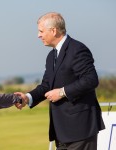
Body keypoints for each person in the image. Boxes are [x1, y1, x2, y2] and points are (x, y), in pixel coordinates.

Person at [15, 12, 105, 150]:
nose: (38, 35)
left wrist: (62, 92)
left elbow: (91, 79)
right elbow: (46, 85)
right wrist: (28, 97)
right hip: (61, 132)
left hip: (81, 129)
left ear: (53, 30)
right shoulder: (51, 56)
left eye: (41, 31)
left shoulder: (77, 49)